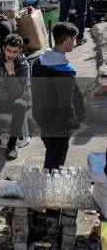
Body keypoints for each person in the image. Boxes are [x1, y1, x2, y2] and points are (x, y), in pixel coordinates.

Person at [31, 22, 85, 171]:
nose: (73, 43)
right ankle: (47, 190)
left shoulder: (38, 61)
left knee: (51, 154)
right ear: (67, 40)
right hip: (58, 124)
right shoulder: (64, 72)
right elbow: (65, 104)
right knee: (53, 165)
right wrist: (73, 120)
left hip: (42, 117)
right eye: (73, 40)